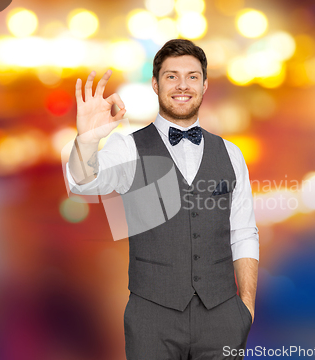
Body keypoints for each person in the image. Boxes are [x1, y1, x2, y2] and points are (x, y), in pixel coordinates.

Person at [66, 39, 259, 360]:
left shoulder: (231, 153)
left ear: (205, 84)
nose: (182, 85)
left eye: (192, 76)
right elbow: (84, 181)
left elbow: (243, 233)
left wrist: (246, 308)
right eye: (171, 76)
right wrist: (87, 140)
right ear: (155, 84)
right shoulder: (128, 148)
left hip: (223, 314)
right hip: (151, 318)